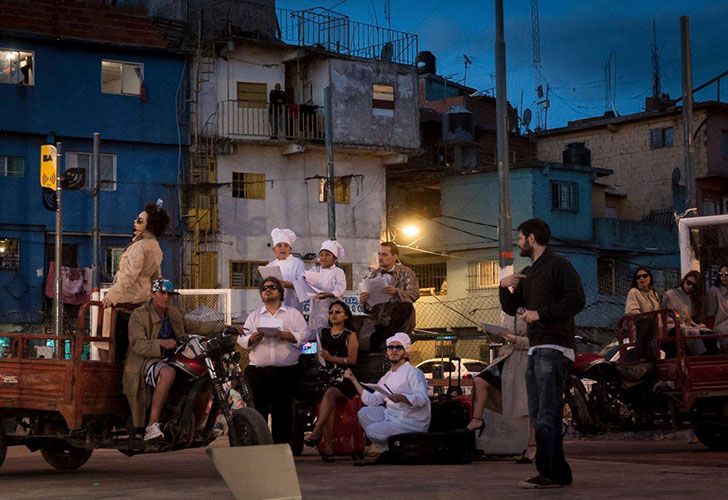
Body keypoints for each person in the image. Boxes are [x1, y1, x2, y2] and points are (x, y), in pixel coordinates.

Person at [499, 218, 585, 489]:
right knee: (538, 414)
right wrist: (504, 287)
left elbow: (576, 299)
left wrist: (541, 314)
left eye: (521, 237)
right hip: (536, 349)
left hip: (554, 347)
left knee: (547, 413)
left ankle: (551, 473)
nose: (519, 242)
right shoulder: (530, 272)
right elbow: (513, 307)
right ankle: (555, 471)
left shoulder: (558, 264)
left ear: (532, 238)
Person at [124, 279, 220, 441]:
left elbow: (196, 326)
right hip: (145, 361)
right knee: (167, 373)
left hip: (173, 358)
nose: (166, 297)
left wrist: (224, 327)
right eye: (162, 293)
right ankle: (152, 426)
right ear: (153, 294)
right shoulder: (139, 315)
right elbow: (137, 344)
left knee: (203, 375)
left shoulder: (173, 313)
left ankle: (196, 425)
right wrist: (160, 343)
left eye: (169, 294)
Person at [237, 276, 308, 444]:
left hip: (286, 371)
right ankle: (259, 448)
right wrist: (252, 339)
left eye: (272, 287)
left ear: (280, 292)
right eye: (264, 288)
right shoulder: (254, 316)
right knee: (257, 410)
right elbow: (242, 338)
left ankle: (281, 448)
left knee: (282, 411)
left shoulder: (292, 314)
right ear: (261, 295)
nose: (268, 290)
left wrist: (290, 336)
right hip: (258, 372)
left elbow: (306, 336)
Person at [343, 332, 430, 462]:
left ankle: (387, 450)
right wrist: (353, 380)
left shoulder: (413, 372)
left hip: (411, 421)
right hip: (392, 416)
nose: (394, 350)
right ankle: (387, 450)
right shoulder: (387, 376)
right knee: (364, 413)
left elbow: (422, 399)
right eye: (391, 347)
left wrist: (403, 397)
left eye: (398, 347)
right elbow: (371, 400)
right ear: (386, 353)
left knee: (372, 431)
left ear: (405, 353)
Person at [103, 201, 170, 363]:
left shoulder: (139, 247)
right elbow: (157, 276)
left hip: (126, 303)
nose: (135, 222)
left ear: (149, 226)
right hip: (143, 303)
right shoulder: (156, 247)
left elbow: (128, 276)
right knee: (134, 351)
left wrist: (111, 296)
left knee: (114, 349)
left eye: (140, 221)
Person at [468, 313, 536, 464]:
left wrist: (513, 339)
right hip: (507, 357)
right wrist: (494, 334)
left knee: (529, 404)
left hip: (524, 361)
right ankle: (477, 419)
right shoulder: (507, 310)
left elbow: (536, 341)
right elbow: (504, 337)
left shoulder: (534, 308)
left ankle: (532, 445)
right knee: (480, 380)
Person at [303, 300, 359, 461]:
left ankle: (316, 432)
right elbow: (310, 349)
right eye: (331, 312)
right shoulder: (324, 333)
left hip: (344, 376)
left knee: (330, 393)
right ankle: (327, 447)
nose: (333, 315)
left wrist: (331, 358)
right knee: (328, 398)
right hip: (326, 374)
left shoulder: (350, 335)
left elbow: (352, 360)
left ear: (346, 315)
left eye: (337, 312)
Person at [359, 242, 419, 351]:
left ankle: (388, 339)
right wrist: (365, 299)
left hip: (399, 318)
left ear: (395, 256)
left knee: (406, 306)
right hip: (379, 319)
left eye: (384, 254)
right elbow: (367, 308)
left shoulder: (406, 273)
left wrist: (397, 291)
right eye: (379, 254)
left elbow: (414, 294)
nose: (380, 258)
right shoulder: (372, 275)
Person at [662, 271, 712, 356]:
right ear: (684, 280)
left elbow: (694, 317)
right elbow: (664, 314)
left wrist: (697, 324)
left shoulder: (693, 298)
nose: (690, 287)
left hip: (688, 326)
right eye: (689, 283)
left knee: (710, 334)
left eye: (694, 286)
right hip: (674, 326)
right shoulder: (669, 295)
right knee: (690, 334)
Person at [306, 240, 347, 338]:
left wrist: (330, 294)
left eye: (327, 255)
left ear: (334, 258)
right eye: (321, 255)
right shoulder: (314, 270)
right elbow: (305, 283)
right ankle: (313, 353)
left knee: (329, 337)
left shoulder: (338, 272)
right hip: (315, 310)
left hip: (331, 311)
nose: (323, 258)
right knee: (313, 338)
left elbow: (340, 288)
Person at [267, 227, 306, 312]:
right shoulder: (271, 265)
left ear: (290, 249)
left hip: (293, 306)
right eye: (279, 245)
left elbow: (304, 286)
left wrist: (290, 285)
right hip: (274, 306)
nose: (283, 248)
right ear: (274, 249)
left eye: (286, 245)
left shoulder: (297, 263)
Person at [706, 263, 728, 353]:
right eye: (720, 274)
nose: (723, 277)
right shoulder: (714, 291)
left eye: (726, 274)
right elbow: (710, 314)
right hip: (720, 328)